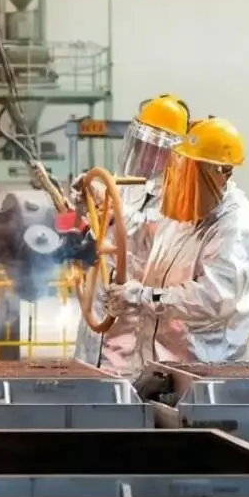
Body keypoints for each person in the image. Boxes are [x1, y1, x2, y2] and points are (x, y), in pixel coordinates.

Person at [103, 116, 249, 364]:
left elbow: (211, 300)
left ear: (223, 172)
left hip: (204, 370)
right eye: (180, 165)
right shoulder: (185, 215)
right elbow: (147, 258)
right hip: (156, 365)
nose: (180, 178)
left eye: (192, 170)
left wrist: (140, 297)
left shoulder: (237, 229)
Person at [71, 94, 191, 374]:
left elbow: (149, 238)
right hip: (95, 337)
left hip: (134, 345)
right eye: (144, 144)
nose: (149, 155)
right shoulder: (127, 187)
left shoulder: (182, 200)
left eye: (158, 148)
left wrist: (110, 210)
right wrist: (86, 206)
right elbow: (105, 237)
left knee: (126, 409)